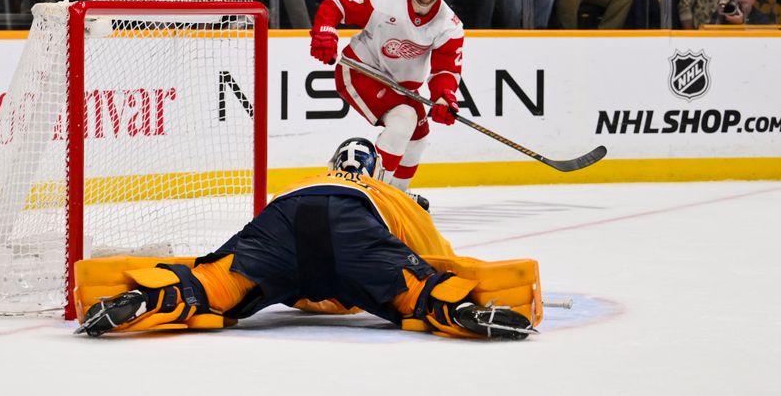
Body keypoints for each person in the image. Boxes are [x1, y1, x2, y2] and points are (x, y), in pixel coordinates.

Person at [74, 137, 541, 340]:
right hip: (352, 230)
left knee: (214, 285)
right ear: (374, 172)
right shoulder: (385, 192)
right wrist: (424, 276)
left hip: (281, 227)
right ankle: (458, 310)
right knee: (418, 290)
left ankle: (156, 298)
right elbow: (433, 251)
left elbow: (273, 244)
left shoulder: (304, 181)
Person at [309, 0, 462, 192]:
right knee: (405, 119)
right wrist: (326, 31)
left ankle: (397, 195)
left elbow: (445, 69)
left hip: (400, 87)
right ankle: (374, 193)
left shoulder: (449, 25)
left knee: (418, 137)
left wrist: (443, 96)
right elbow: (335, 5)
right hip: (360, 71)